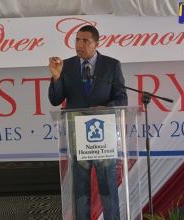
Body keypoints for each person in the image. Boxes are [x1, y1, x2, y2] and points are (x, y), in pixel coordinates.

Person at [48, 25, 128, 220]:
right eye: (77, 40)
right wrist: (57, 76)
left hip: (104, 138)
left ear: (96, 43)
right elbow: (55, 100)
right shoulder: (65, 66)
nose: (79, 45)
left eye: (85, 41)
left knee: (108, 190)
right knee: (80, 192)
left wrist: (107, 107)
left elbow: (122, 98)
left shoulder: (111, 65)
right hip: (77, 138)